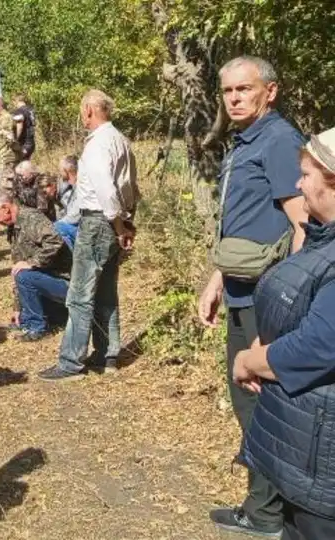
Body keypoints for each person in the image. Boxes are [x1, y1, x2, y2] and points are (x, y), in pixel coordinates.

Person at [197, 56, 308, 537]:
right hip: (241, 291)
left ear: (271, 91)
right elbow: (241, 222)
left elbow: (304, 225)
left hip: (267, 300)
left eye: (245, 89)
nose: (236, 98)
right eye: (228, 92)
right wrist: (217, 279)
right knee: (251, 404)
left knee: (259, 406)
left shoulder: (280, 141)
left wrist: (283, 308)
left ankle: (269, 516)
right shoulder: (244, 141)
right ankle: (264, 509)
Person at [236, 128, 335, 540]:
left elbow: (320, 345)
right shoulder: (322, 238)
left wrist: (250, 360)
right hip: (308, 449)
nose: (298, 184)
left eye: (307, 174)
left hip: (324, 460)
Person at [38, 89, 139, 382]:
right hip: (113, 221)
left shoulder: (97, 145)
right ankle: (107, 354)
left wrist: (119, 225)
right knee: (106, 291)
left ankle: (71, 361)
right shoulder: (121, 139)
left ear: (90, 111)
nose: (82, 117)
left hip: (98, 222)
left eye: (82, 112)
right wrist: (127, 222)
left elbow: (107, 190)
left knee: (80, 295)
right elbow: (130, 186)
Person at [0, 191, 71, 341]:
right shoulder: (13, 228)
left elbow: (55, 241)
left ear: (6, 208)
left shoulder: (31, 218)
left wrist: (32, 262)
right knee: (22, 274)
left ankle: (36, 327)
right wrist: (18, 308)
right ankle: (28, 319)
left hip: (65, 282)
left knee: (24, 275)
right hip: (46, 280)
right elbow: (19, 267)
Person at [0, 97, 21, 194]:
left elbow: (9, 138)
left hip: (6, 157)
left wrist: (16, 151)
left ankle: (8, 206)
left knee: (6, 187)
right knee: (4, 184)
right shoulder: (2, 118)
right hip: (3, 156)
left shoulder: (6, 118)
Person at [54, 154, 81, 249]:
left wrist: (58, 224)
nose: (59, 173)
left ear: (68, 170)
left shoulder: (81, 185)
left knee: (56, 228)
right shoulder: (71, 184)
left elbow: (75, 216)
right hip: (78, 226)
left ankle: (70, 258)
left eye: (60, 169)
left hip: (84, 229)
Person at [12, 94, 37, 159]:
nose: (14, 104)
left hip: (24, 143)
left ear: (16, 101)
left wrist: (15, 140)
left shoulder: (19, 111)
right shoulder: (31, 110)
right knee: (26, 162)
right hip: (31, 142)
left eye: (13, 102)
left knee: (20, 164)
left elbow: (20, 127)